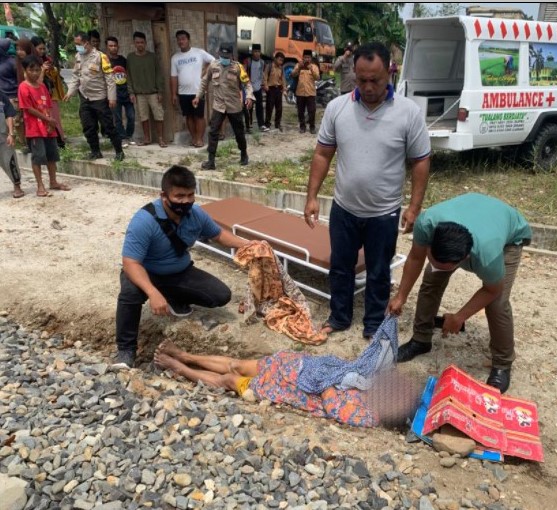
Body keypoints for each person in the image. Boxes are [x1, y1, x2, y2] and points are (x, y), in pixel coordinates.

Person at [303, 42, 431, 340]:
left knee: (378, 272)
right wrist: (311, 197)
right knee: (340, 267)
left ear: (389, 72)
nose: (368, 86)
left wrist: (414, 207)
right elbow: (323, 154)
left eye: (375, 80)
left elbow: (420, 161)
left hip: (383, 213)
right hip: (344, 208)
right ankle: (339, 317)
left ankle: (373, 324)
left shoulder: (408, 113)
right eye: (362, 80)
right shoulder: (338, 108)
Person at [387, 193, 533, 394]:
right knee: (432, 277)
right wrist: (400, 296)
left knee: (497, 304)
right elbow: (415, 258)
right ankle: (420, 340)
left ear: (465, 259)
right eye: (433, 257)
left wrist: (460, 317)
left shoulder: (488, 254)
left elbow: (492, 289)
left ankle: (502, 362)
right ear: (431, 243)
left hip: (509, 235)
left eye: (446, 266)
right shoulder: (426, 224)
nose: (439, 266)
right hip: (472, 213)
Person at [113, 165, 251, 369]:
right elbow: (131, 262)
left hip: (179, 271)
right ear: (164, 195)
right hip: (145, 272)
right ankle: (126, 350)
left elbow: (219, 235)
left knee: (220, 295)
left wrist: (249, 246)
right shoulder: (144, 221)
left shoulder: (196, 213)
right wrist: (152, 292)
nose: (185, 201)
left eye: (190, 195)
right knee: (129, 295)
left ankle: (174, 297)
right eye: (179, 196)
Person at [153, 337, 421, 428]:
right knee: (238, 363)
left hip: (290, 391)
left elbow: (331, 401)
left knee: (230, 380)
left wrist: (338, 380)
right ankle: (184, 355)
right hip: (295, 367)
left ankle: (176, 366)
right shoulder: (378, 383)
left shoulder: (367, 416)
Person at [65, 31, 124, 161]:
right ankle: (95, 151)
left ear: (86, 43)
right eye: (76, 44)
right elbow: (76, 76)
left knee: (108, 127)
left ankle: (119, 151)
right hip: (85, 98)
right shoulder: (78, 57)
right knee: (88, 127)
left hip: (99, 98)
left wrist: (112, 97)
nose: (77, 47)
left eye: (78, 44)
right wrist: (70, 92)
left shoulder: (100, 57)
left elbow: (110, 78)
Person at [18, 56, 71, 197]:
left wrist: (50, 122)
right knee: (38, 157)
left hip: (48, 127)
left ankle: (53, 181)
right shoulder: (23, 87)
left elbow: (47, 105)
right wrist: (47, 119)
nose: (35, 73)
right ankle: (40, 185)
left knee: (52, 155)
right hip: (34, 128)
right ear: (25, 70)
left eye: (37, 70)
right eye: (31, 70)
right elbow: (28, 108)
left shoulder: (42, 86)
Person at [194, 43, 252, 168]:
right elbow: (204, 81)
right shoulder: (213, 66)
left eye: (227, 56)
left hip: (234, 106)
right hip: (218, 106)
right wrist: (198, 96)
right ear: (218, 53)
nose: (224, 58)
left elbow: (247, 84)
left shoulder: (238, 67)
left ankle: (244, 154)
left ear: (231, 55)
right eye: (222, 55)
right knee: (213, 132)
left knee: (239, 132)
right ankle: (211, 161)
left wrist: (249, 96)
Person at [170, 30, 214, 148]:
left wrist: (205, 70)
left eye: (183, 38)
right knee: (188, 116)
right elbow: (174, 77)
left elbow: (214, 61)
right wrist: (174, 94)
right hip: (183, 92)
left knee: (199, 116)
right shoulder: (175, 58)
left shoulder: (199, 52)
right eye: (179, 39)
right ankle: (194, 138)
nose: (181, 41)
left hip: (198, 91)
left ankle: (200, 139)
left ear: (188, 40)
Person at [126, 31, 167, 147]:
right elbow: (128, 76)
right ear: (134, 43)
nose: (140, 44)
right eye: (137, 42)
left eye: (142, 42)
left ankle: (160, 139)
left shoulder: (152, 57)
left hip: (153, 92)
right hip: (139, 93)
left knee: (159, 115)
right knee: (143, 116)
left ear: (146, 43)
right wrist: (131, 92)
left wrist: (160, 91)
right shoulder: (130, 57)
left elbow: (159, 74)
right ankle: (147, 138)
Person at [31, 36, 67, 149]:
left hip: (50, 94)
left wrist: (51, 70)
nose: (42, 51)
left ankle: (60, 140)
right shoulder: (31, 62)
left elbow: (54, 77)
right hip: (38, 96)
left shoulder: (47, 60)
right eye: (39, 49)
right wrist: (42, 70)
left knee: (54, 117)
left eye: (43, 49)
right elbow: (37, 82)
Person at [105, 36, 135, 146]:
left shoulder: (123, 60)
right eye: (110, 46)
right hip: (114, 94)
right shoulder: (105, 62)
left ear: (118, 46)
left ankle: (129, 135)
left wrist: (131, 92)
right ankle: (122, 138)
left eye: (115, 45)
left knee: (131, 116)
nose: (113, 48)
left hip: (126, 92)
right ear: (107, 47)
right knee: (117, 118)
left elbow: (129, 76)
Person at [0, 88, 23, 198]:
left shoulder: (1, 96)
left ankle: (17, 186)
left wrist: (11, 133)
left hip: (3, 136)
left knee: (10, 161)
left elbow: (9, 114)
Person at [291, 49, 319, 134]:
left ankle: (312, 127)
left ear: (311, 58)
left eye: (309, 57)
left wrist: (312, 70)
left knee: (312, 111)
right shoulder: (298, 65)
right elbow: (292, 75)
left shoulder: (314, 66)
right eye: (305, 57)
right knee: (300, 111)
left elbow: (317, 77)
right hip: (300, 92)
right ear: (303, 57)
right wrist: (298, 68)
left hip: (310, 92)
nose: (307, 59)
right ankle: (302, 127)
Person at [245, 43, 268, 132]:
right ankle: (248, 126)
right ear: (252, 52)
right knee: (249, 108)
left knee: (260, 107)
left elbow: (263, 74)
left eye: (258, 51)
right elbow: (244, 72)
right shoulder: (248, 61)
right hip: (250, 88)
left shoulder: (262, 62)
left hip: (258, 88)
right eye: (255, 51)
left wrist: (263, 84)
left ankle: (261, 125)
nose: (257, 53)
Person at [263, 51, 285, 131]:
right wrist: (265, 85)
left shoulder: (281, 68)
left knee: (279, 108)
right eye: (279, 60)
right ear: (275, 59)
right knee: (269, 107)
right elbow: (265, 76)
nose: (280, 62)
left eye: (282, 61)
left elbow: (283, 79)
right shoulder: (269, 66)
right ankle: (267, 124)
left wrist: (284, 89)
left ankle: (277, 123)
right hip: (271, 89)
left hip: (278, 89)